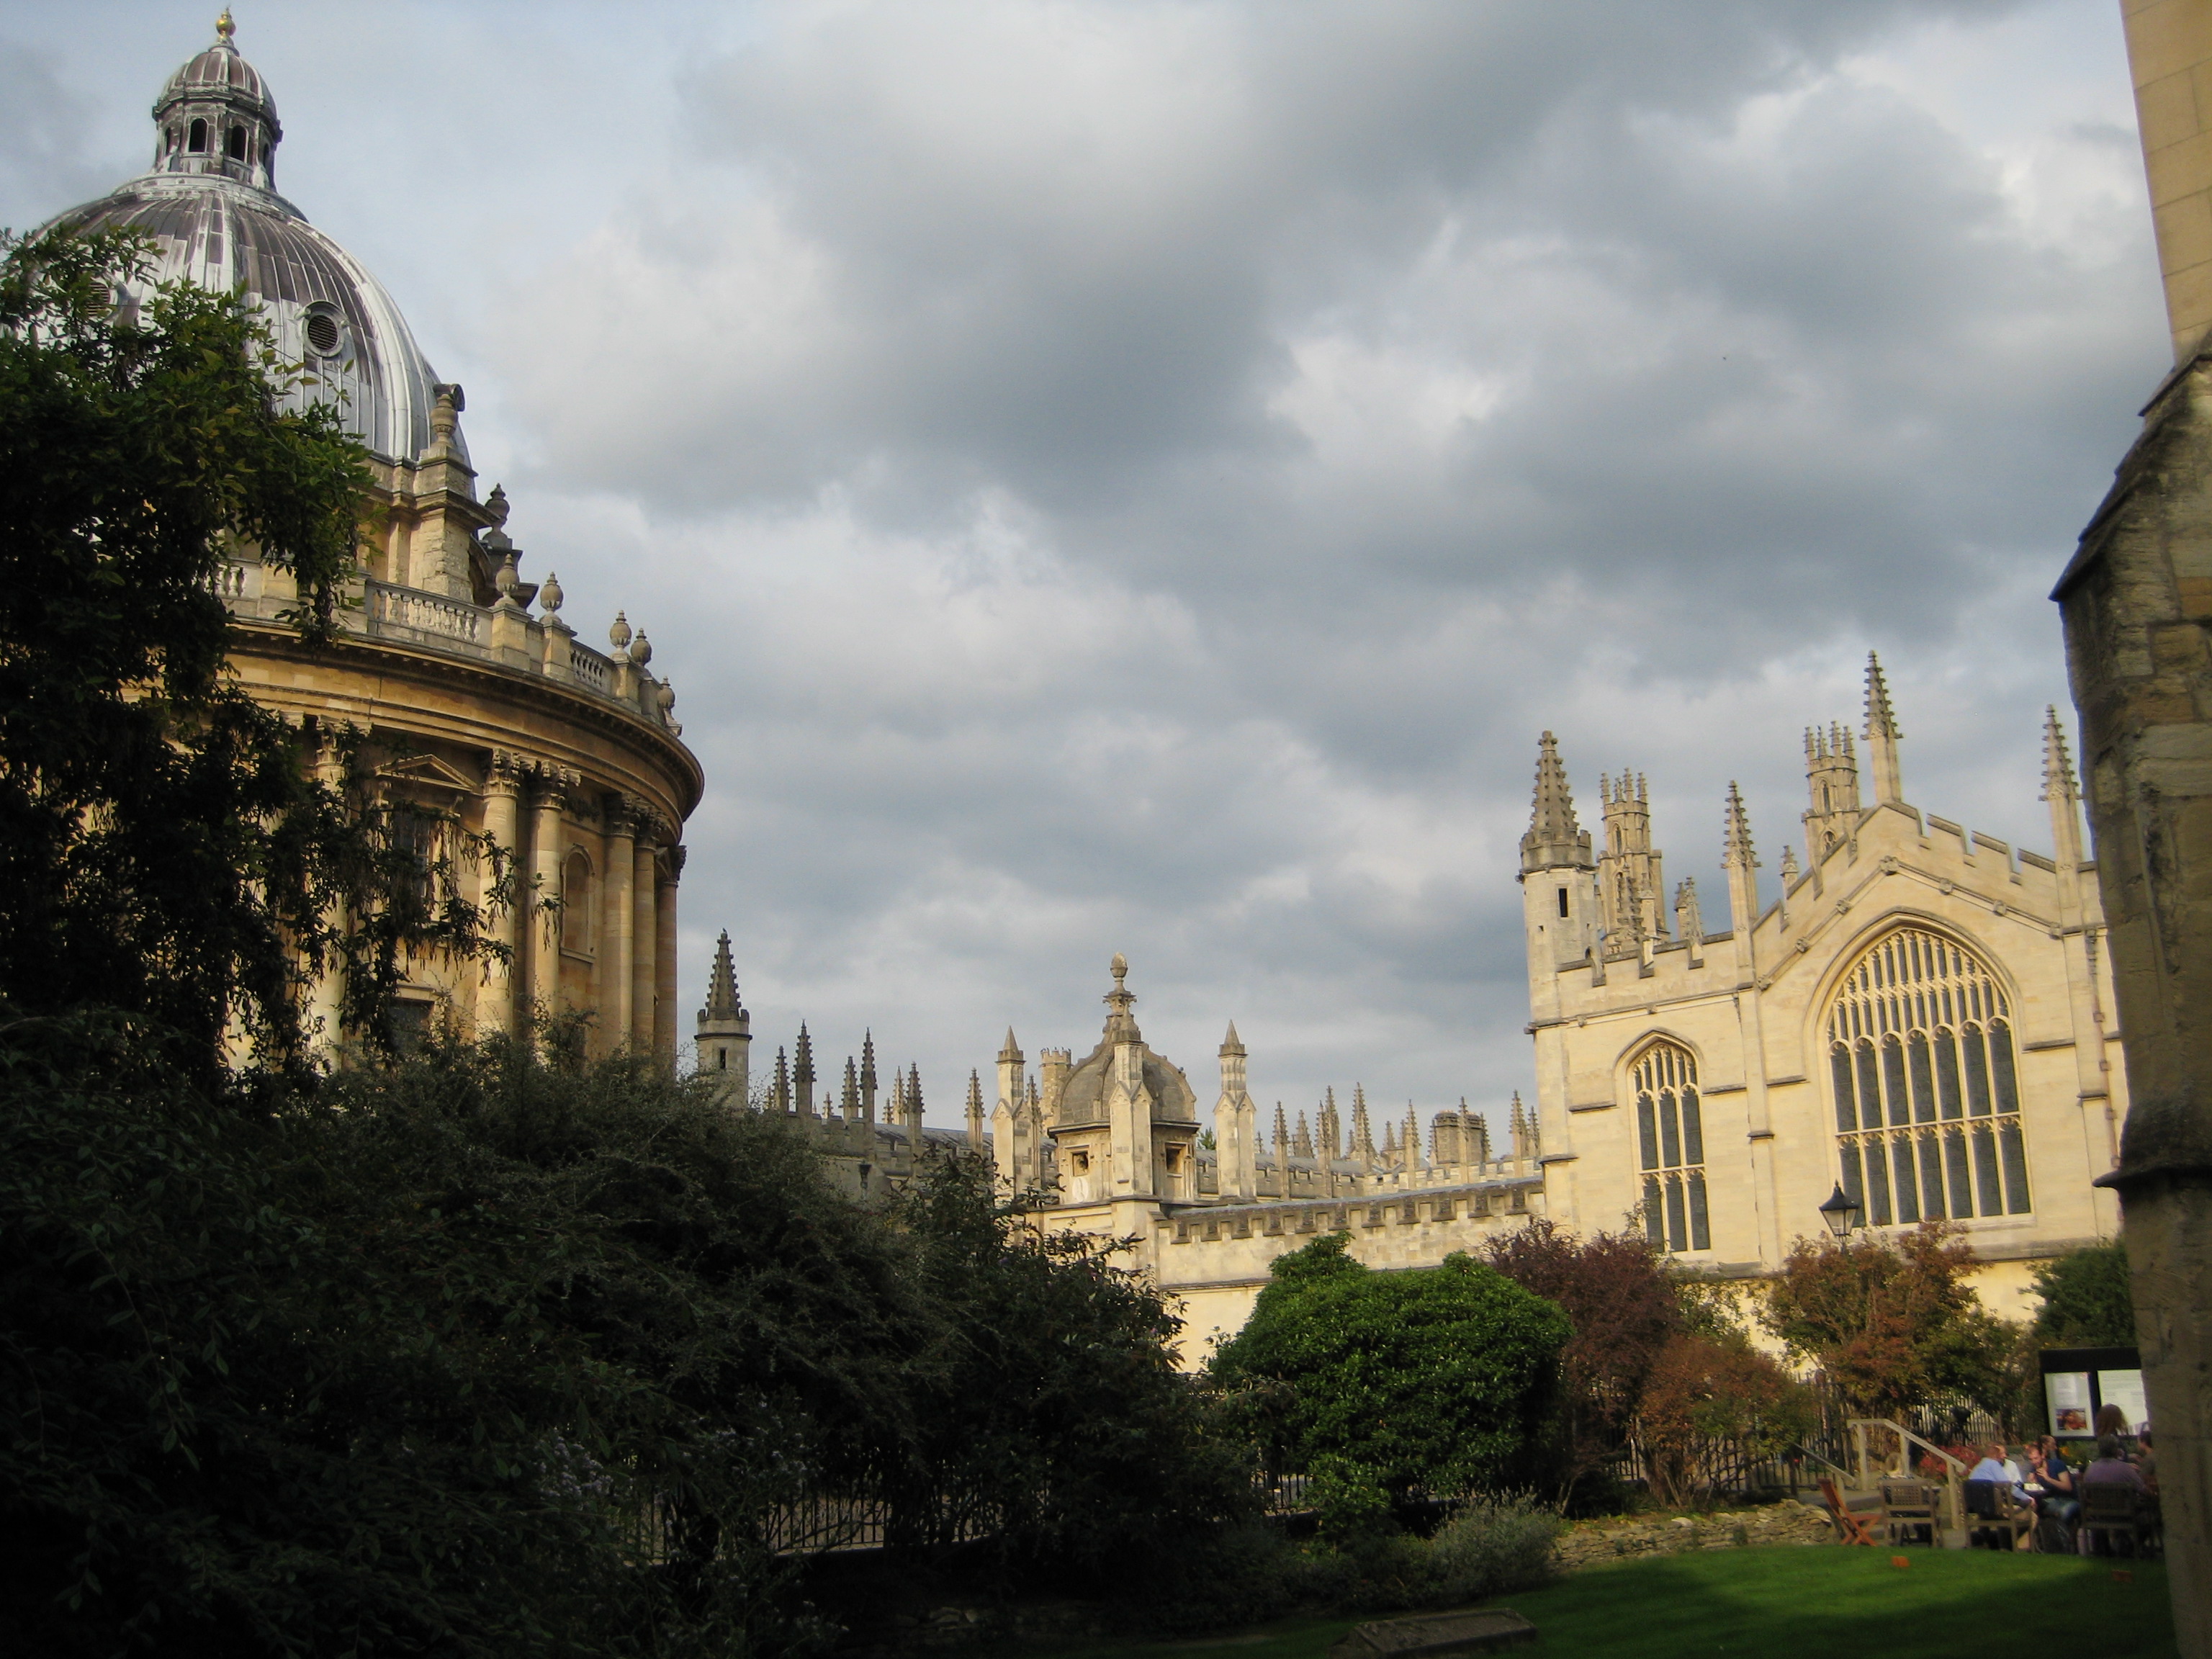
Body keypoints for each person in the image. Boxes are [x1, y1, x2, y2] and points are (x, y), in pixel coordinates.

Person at [1968, 1441, 2035, 1547]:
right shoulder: (1994, 1464)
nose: (2003, 1457)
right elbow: (2007, 1486)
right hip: (1995, 1509)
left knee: (2001, 1513)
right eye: (2001, 1455)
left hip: (1978, 1508)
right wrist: (2027, 1498)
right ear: (1996, 1456)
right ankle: (2020, 1547)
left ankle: (1996, 1544)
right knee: (2032, 1516)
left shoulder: (1977, 1468)